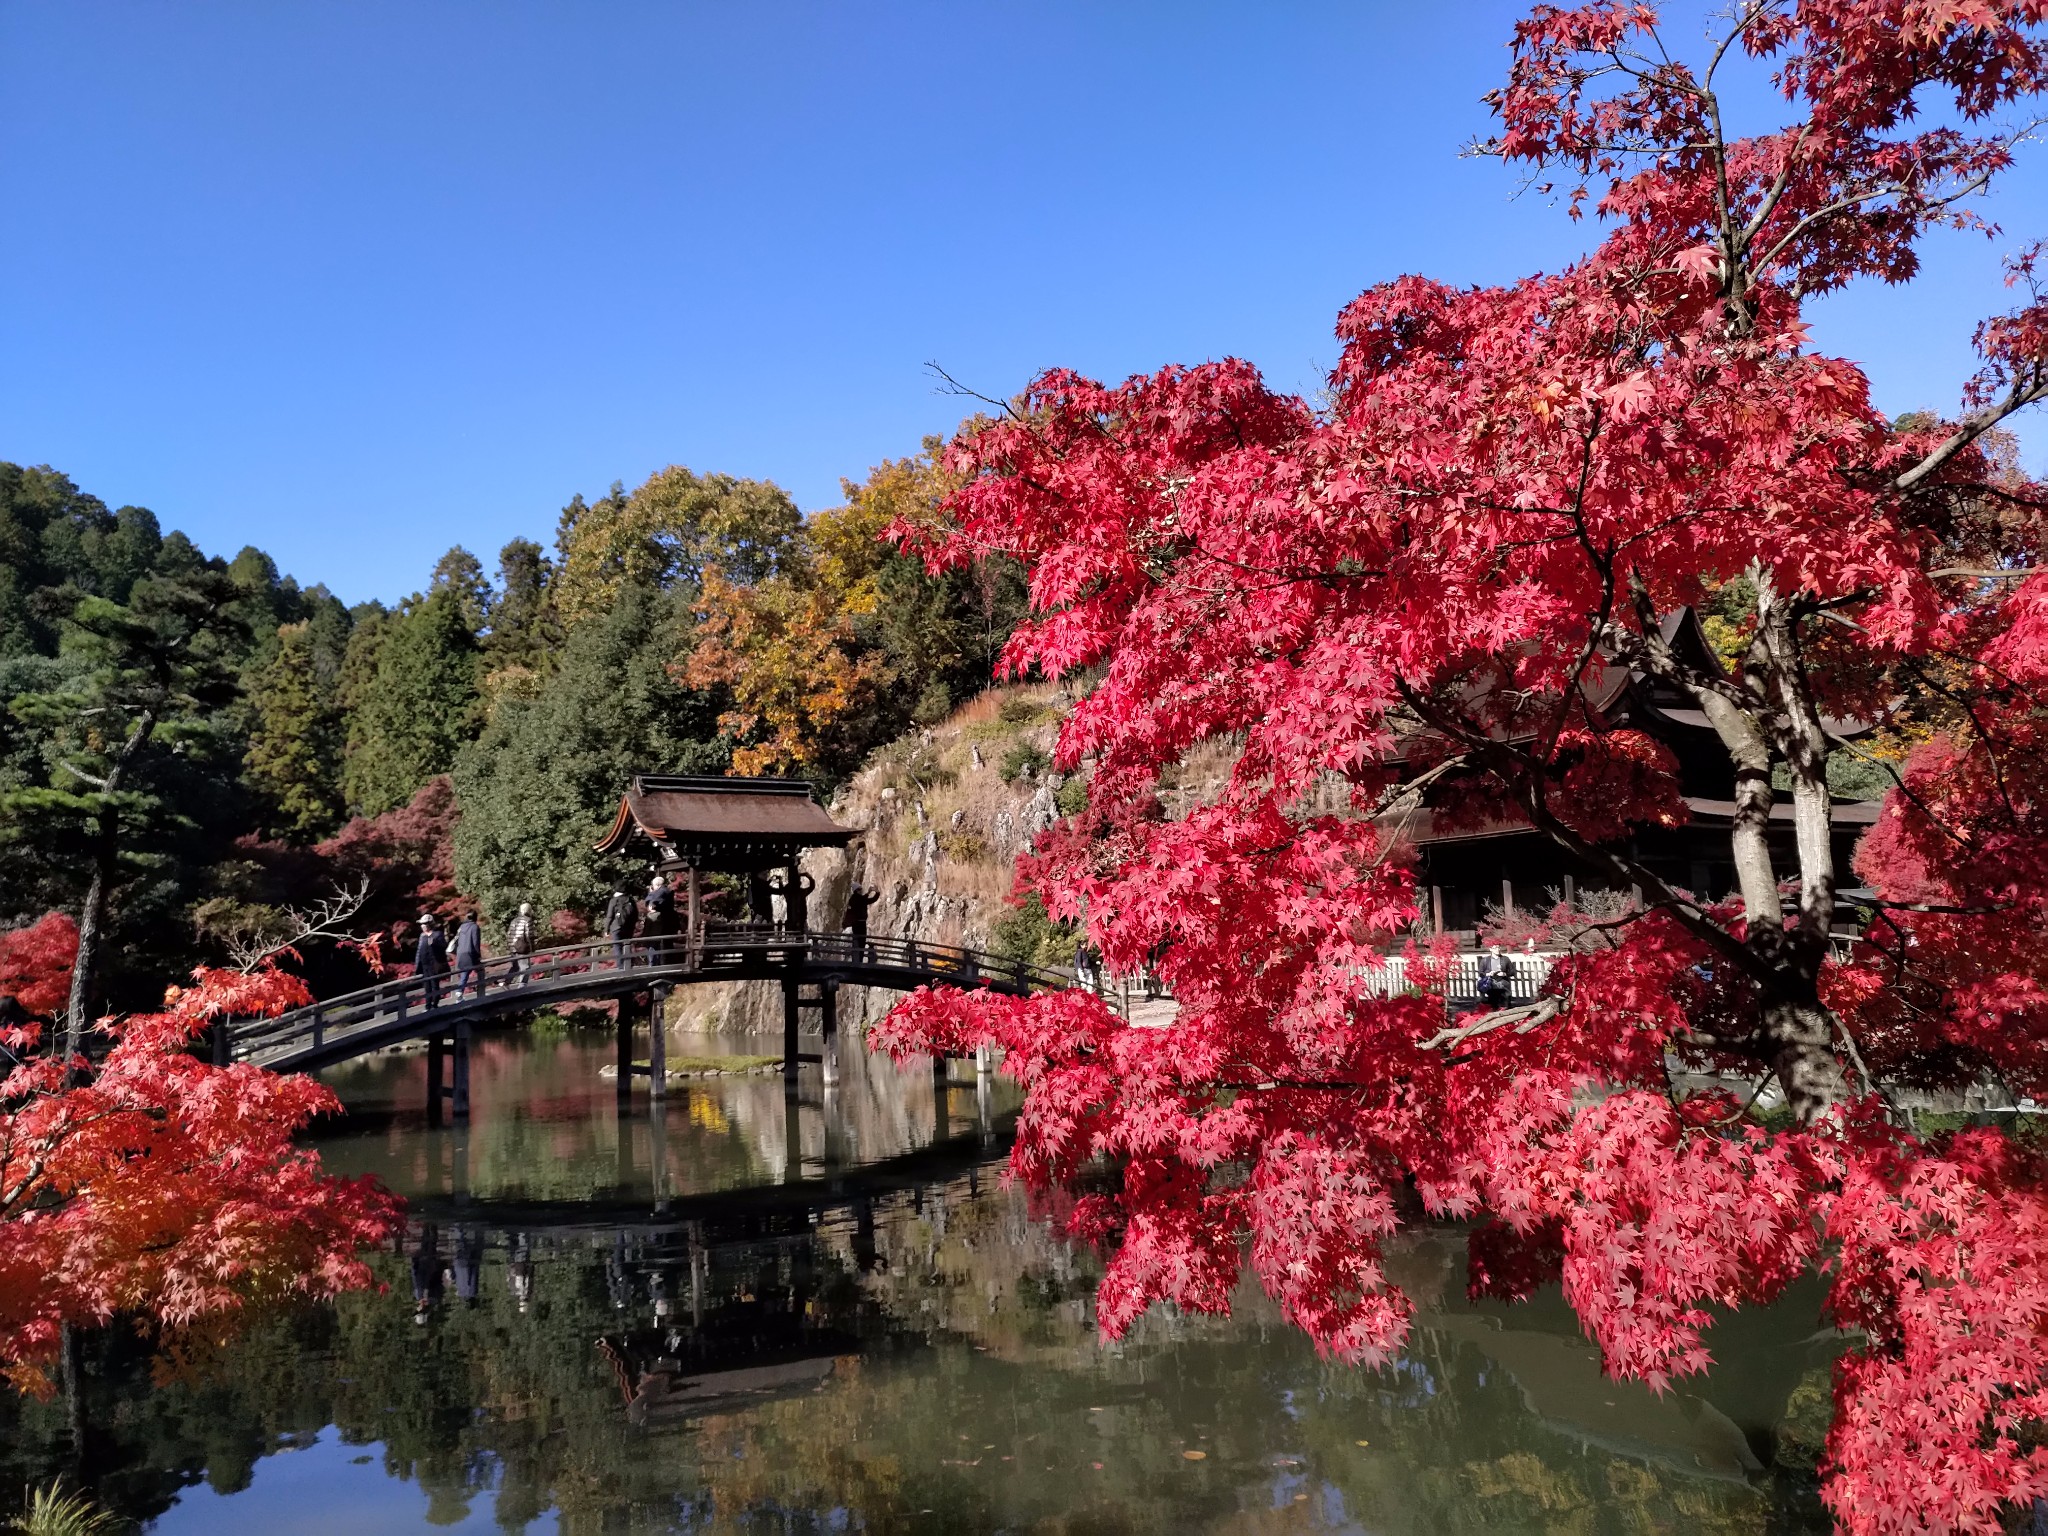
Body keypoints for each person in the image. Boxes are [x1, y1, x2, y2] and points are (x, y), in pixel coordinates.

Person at [414, 913, 449, 1010]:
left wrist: (434, 941)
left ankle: (435, 1004)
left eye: (424, 924)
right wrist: (417, 965)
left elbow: (443, 946)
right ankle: (427, 1005)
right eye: (421, 924)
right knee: (427, 987)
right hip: (425, 966)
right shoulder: (422, 936)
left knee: (434, 985)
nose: (422, 926)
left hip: (434, 965)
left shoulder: (437, 934)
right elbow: (419, 951)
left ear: (429, 924)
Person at [451, 911, 486, 1001]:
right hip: (470, 953)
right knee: (475, 970)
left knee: (464, 972)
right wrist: (478, 955)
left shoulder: (462, 927)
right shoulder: (475, 927)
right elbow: (475, 943)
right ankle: (462, 991)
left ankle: (460, 993)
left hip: (460, 952)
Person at [644, 873, 678, 961]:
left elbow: (652, 901)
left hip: (662, 919)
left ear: (657, 885)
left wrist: (651, 902)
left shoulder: (661, 891)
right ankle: (668, 961)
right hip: (669, 919)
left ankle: (659, 962)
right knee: (667, 942)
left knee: (655, 941)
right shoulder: (667, 891)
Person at [605, 885, 639, 969]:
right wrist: (632, 924)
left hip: (616, 927)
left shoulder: (614, 900)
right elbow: (635, 914)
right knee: (627, 945)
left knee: (617, 946)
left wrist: (606, 929)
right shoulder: (630, 900)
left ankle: (620, 967)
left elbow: (609, 916)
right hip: (628, 927)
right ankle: (629, 965)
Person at [845, 884, 878, 960]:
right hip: (861, 924)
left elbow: (863, 900)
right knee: (861, 942)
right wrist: (877, 893)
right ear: (857, 890)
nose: (861, 891)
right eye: (860, 889)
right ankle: (859, 960)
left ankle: (855, 959)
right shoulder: (859, 899)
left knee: (856, 942)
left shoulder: (853, 898)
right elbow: (870, 900)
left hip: (855, 924)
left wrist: (868, 893)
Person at [1475, 942, 1513, 1009]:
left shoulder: (1505, 959)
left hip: (1503, 986)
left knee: (1505, 1006)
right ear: (1490, 949)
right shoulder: (1485, 960)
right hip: (1491, 985)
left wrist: (1504, 974)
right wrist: (1488, 974)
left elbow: (1512, 971)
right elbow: (1480, 972)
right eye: (1495, 948)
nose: (1497, 949)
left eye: (1498, 947)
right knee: (1494, 1006)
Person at [506, 902, 536, 983]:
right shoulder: (528, 920)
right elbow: (529, 936)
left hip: (513, 948)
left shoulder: (514, 921)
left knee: (515, 967)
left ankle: (506, 983)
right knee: (525, 968)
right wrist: (532, 948)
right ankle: (522, 988)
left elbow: (509, 934)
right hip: (522, 948)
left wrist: (510, 948)